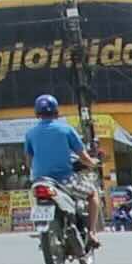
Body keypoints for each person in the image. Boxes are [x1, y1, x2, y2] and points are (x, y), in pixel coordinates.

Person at [23, 93, 103, 248]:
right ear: (56, 111)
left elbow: (28, 161)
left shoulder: (30, 133)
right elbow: (84, 157)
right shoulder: (66, 130)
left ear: (37, 112)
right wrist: (93, 162)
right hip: (65, 180)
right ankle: (92, 232)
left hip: (40, 180)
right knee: (93, 193)